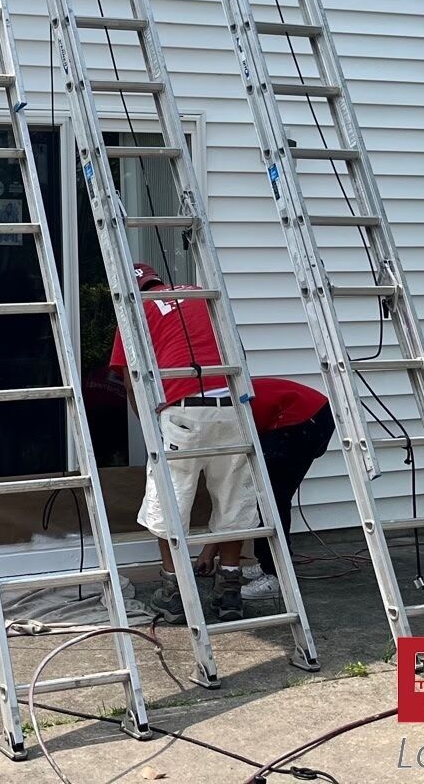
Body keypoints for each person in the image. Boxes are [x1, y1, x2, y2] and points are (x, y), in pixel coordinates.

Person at [108, 261, 257, 623]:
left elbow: (131, 382)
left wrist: (150, 428)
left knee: (170, 504)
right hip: (232, 409)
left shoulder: (135, 309)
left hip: (184, 412)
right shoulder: (199, 295)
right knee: (233, 500)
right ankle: (229, 595)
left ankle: (173, 594)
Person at [241, 376, 335, 599]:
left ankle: (275, 576)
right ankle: (269, 563)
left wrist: (210, 551)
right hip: (307, 412)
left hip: (302, 417)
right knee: (269, 493)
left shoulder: (215, 414)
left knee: (271, 496)